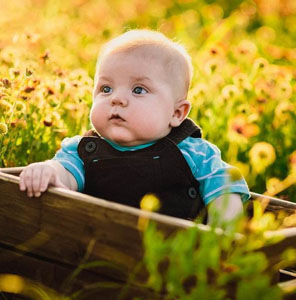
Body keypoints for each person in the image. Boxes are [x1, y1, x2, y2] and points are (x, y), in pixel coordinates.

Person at [19, 29, 249, 224]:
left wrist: (223, 231)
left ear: (176, 113)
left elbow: (224, 188)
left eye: (139, 90)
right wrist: (49, 170)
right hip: (93, 252)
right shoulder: (82, 151)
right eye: (106, 89)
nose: (117, 99)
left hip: (175, 261)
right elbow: (66, 174)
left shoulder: (196, 154)